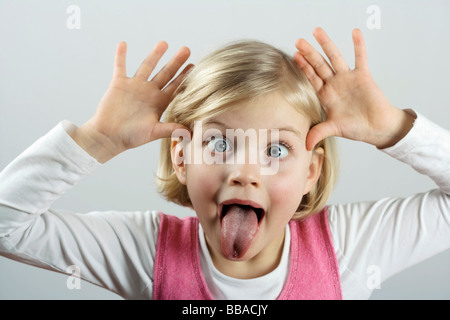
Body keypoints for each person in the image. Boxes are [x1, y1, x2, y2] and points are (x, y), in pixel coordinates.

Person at [0, 28, 449, 300]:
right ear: (181, 157)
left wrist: (393, 129)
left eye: (275, 150)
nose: (244, 172)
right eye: (219, 143)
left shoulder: (349, 248)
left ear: (310, 172)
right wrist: (95, 140)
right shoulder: (145, 251)